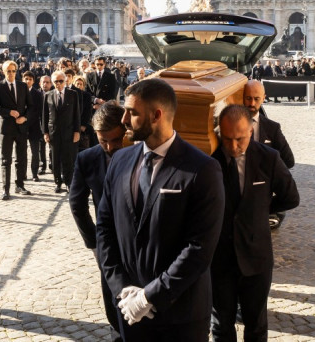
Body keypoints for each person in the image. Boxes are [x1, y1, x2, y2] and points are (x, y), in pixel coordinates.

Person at [96, 78, 224, 341]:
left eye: (132, 113)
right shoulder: (119, 160)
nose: (123, 121)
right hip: (129, 310)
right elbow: (105, 229)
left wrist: (149, 296)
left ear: (156, 115)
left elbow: (199, 248)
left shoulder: (202, 169)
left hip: (180, 315)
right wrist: (122, 289)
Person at [209, 105, 299, 341]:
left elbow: (291, 197)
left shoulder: (268, 158)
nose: (233, 146)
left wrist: (259, 211)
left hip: (256, 257)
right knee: (220, 326)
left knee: (256, 326)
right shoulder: (210, 160)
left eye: (240, 139)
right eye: (227, 138)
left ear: (251, 131)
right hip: (220, 259)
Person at [69, 101, 127, 341]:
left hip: (139, 244)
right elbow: (77, 203)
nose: (110, 147)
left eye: (116, 140)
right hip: (107, 245)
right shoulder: (87, 159)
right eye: (104, 141)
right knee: (113, 304)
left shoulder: (140, 153)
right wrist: (94, 243)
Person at [242, 80, 295, 229]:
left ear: (264, 98)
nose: (252, 103)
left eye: (256, 99)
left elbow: (289, 160)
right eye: (248, 98)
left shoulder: (272, 128)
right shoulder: (231, 124)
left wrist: (268, 173)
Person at [0, 60, 32, 200]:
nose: (11, 73)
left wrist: (24, 118)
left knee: (21, 158)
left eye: (13, 71)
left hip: (21, 128)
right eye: (8, 71)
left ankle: (20, 185)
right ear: (3, 72)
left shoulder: (23, 86)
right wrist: (8, 112)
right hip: (6, 129)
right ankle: (5, 189)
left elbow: (31, 107)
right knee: (6, 160)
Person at [42, 69, 80, 193]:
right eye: (56, 81)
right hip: (54, 132)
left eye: (61, 81)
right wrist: (45, 132)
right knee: (55, 158)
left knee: (68, 158)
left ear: (65, 81)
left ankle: (68, 182)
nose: (58, 83)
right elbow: (44, 115)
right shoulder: (48, 95)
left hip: (69, 131)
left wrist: (77, 131)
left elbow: (76, 114)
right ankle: (57, 182)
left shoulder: (73, 94)